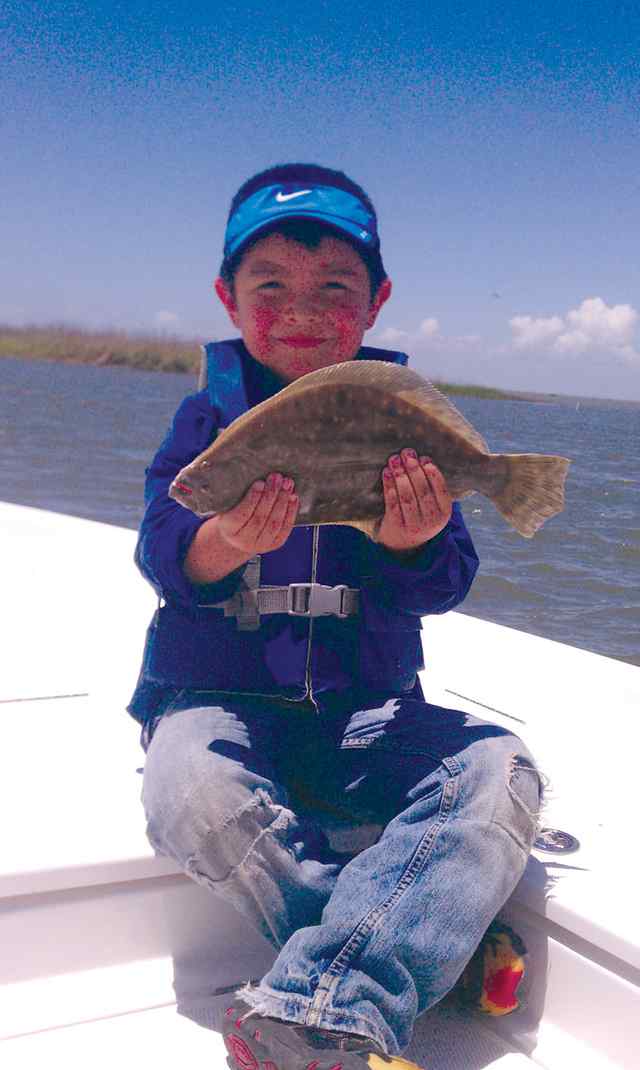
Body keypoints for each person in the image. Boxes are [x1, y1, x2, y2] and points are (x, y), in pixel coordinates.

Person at [129, 162, 544, 1070]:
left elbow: (445, 583)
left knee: (498, 771)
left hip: (369, 714)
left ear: (377, 301)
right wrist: (222, 542)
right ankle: (379, 972)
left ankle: (319, 1000)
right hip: (222, 705)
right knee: (187, 790)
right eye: (269, 285)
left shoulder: (396, 423)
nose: (301, 310)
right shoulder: (205, 422)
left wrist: (411, 540)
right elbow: (162, 549)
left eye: (334, 289)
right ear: (228, 299)